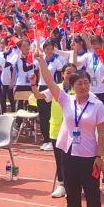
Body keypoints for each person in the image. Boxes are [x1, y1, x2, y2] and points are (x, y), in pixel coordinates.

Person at [36, 46, 104, 207]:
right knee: (72, 198)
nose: (83, 86)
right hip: (69, 155)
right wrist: (41, 61)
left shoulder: (96, 104)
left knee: (92, 200)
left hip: (89, 157)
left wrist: (100, 156)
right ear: (72, 85)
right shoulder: (66, 100)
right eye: (79, 83)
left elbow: (102, 132)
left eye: (85, 83)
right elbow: (49, 82)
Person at [35, 63, 78, 198]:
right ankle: (62, 184)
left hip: (72, 131)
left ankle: (75, 185)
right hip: (56, 129)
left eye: (73, 72)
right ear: (62, 74)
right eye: (68, 72)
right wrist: (33, 85)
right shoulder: (55, 89)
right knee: (59, 159)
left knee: (73, 159)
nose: (70, 75)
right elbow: (39, 96)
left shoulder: (78, 89)